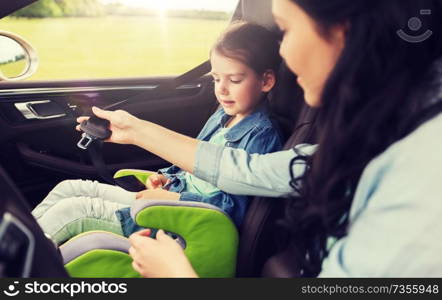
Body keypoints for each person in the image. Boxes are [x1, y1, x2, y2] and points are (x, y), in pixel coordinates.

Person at [79, 0, 442, 278]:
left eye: (286, 30)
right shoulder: (377, 130)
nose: (283, 52)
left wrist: (177, 277)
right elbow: (250, 170)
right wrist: (136, 130)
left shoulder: (422, 178)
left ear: (342, 32)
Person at [31, 22, 284, 244]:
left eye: (235, 80)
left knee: (73, 211)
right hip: (169, 197)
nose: (222, 90)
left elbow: (231, 210)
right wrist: (164, 178)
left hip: (183, 221)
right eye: (217, 79)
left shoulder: (261, 136)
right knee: (69, 188)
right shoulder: (223, 115)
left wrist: (173, 198)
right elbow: (192, 165)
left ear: (266, 81)